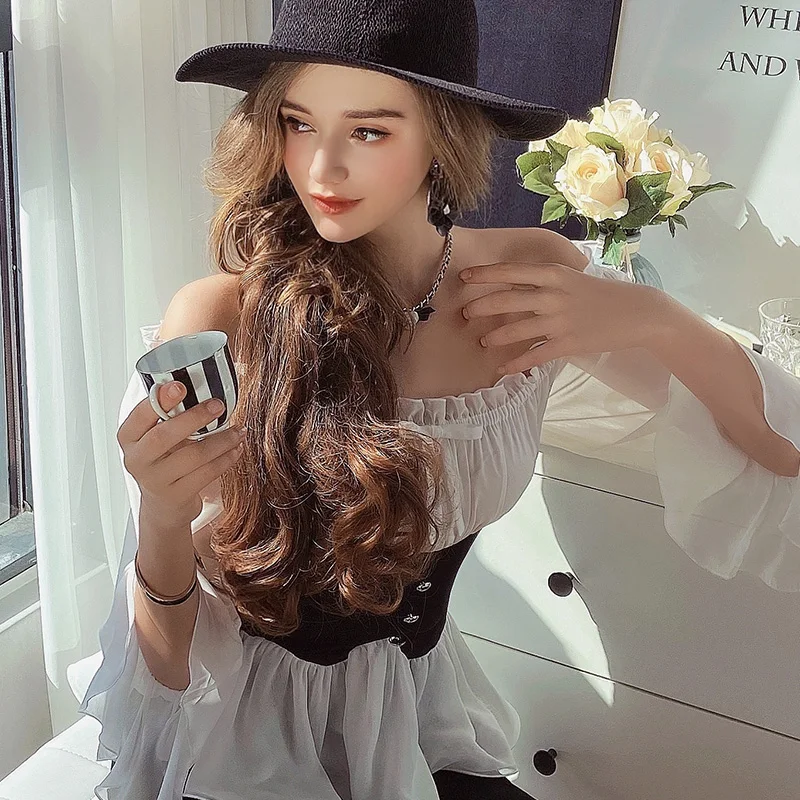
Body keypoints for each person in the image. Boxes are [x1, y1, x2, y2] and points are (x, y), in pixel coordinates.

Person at [77, 0, 800, 798]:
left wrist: (654, 316)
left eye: (369, 131)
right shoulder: (220, 320)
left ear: (442, 135)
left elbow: (777, 447)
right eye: (298, 122)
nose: (321, 169)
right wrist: (161, 514)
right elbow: (167, 670)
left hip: (415, 733)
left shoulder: (525, 282)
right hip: (243, 751)